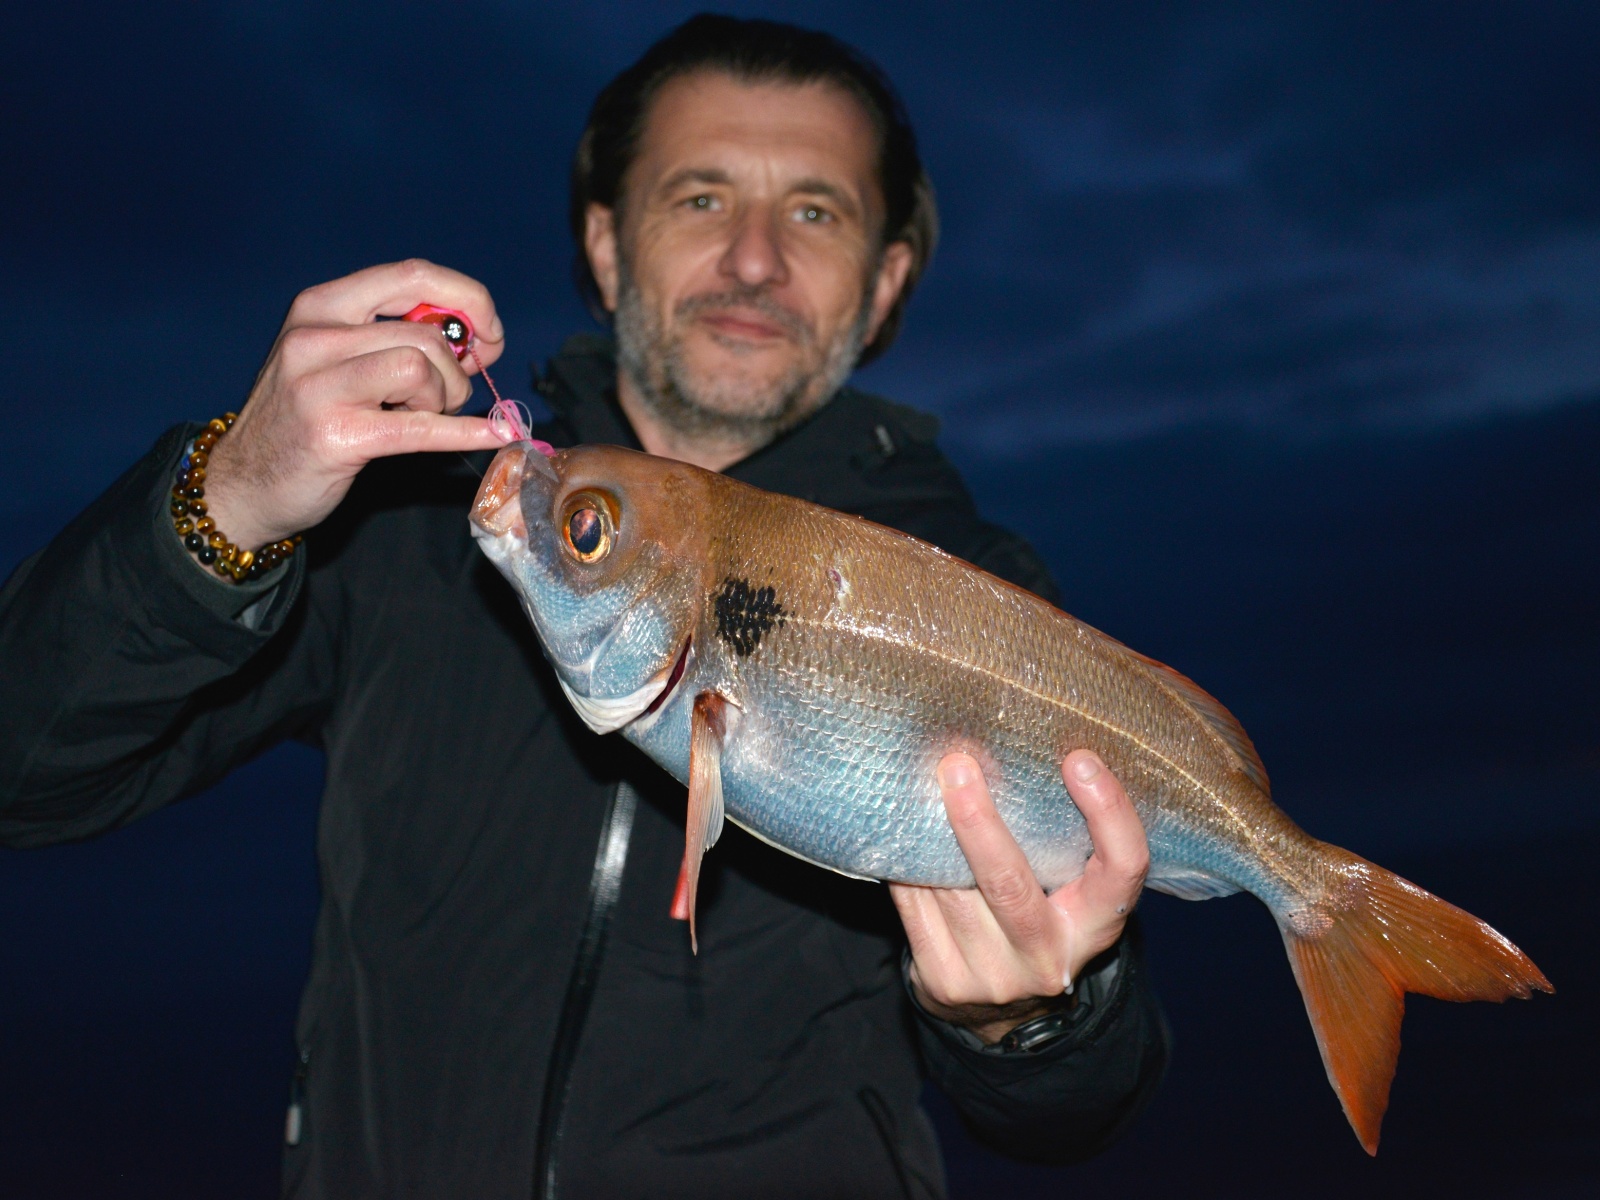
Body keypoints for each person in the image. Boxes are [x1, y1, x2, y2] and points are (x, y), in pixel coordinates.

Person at [0, 15, 1168, 1199]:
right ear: (607, 249)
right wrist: (228, 502)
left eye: (815, 211)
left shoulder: (982, 594)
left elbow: (1079, 1112)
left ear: (887, 282)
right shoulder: (400, 525)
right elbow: (22, 774)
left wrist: (1029, 1024)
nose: (755, 259)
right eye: (700, 198)